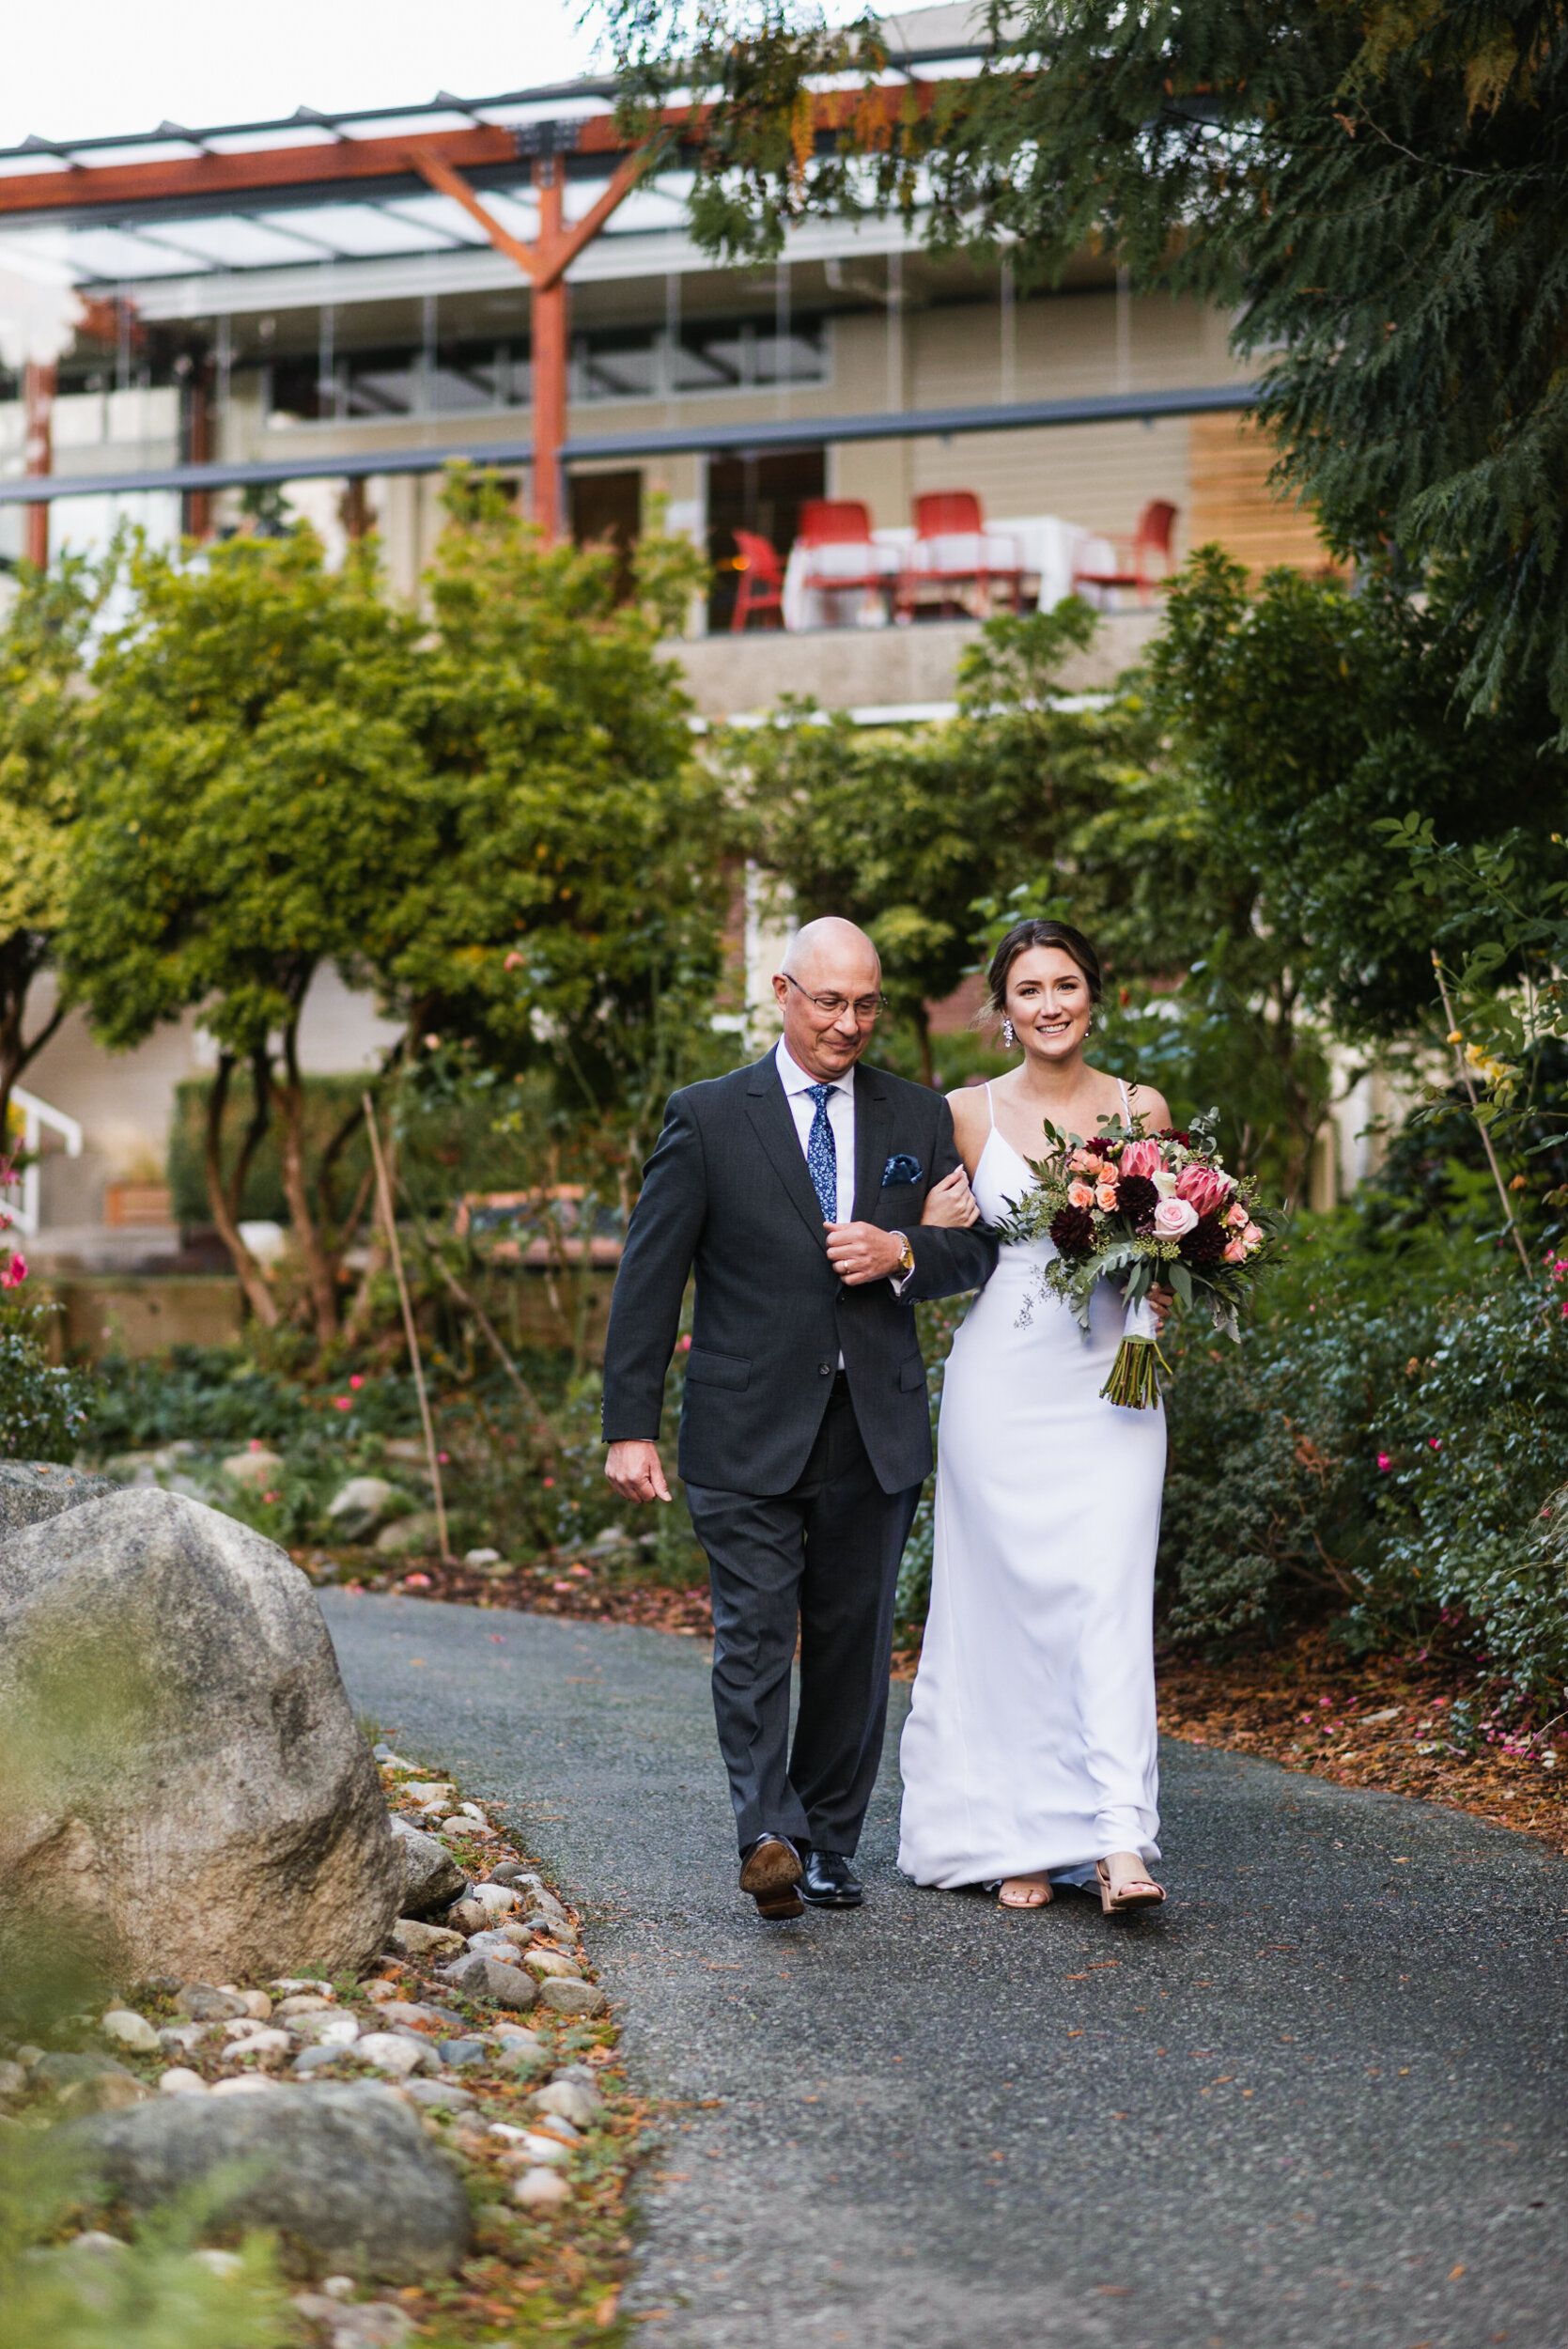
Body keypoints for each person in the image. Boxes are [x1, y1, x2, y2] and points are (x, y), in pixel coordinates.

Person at [601, 917, 996, 1920]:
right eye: (828, 1001)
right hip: (745, 1427)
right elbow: (651, 1279)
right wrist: (628, 1425)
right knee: (753, 1634)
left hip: (873, 1425)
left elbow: (975, 1253)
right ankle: (766, 1834)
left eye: (865, 1004)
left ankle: (825, 1843)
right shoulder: (706, 1116)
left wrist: (900, 1250)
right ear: (783, 993)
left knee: (852, 1645)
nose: (848, 1023)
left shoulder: (916, 1117)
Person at [898, 918, 1172, 1915]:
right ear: (1002, 1010)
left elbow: (1174, 1227)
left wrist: (1187, 1259)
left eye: (1065, 984)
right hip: (1000, 1384)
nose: (1050, 1003)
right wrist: (926, 1233)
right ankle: (1019, 1832)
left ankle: (1115, 1840)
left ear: (1093, 993)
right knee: (1007, 1602)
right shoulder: (963, 1114)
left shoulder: (1139, 1105)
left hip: (1114, 1382)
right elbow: (935, 1254)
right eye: (1028, 989)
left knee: (1105, 1595)